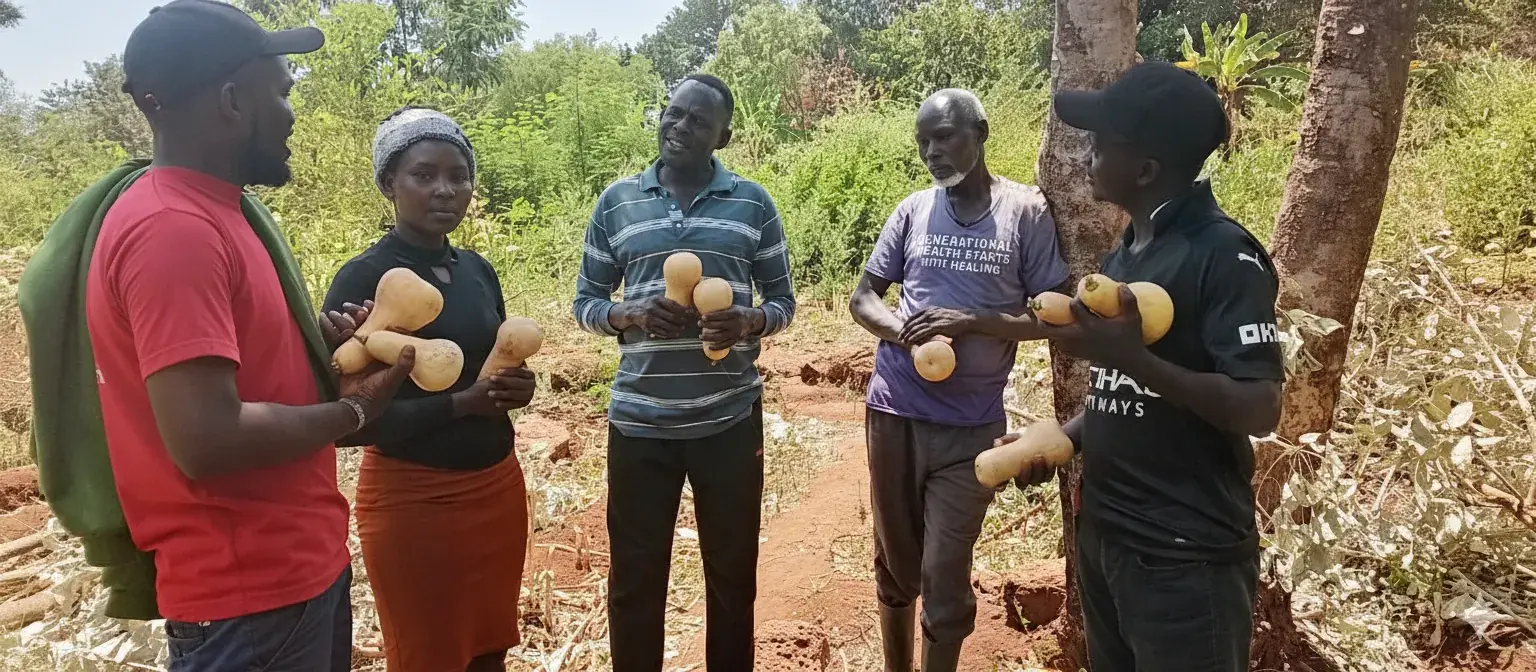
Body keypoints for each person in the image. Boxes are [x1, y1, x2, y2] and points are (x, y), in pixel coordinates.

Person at [66, 1, 415, 669]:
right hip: (249, 599)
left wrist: (312, 345)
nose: (292, 112)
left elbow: (232, 366)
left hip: (289, 578)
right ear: (231, 99)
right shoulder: (174, 230)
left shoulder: (219, 213)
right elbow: (207, 438)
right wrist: (353, 410)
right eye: (282, 92)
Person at [1015, 61, 1285, 672]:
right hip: (1109, 537)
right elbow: (1118, 389)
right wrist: (1059, 438)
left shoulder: (1223, 256)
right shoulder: (1127, 252)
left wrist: (1134, 360)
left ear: (1145, 170)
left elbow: (1260, 404)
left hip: (1184, 559)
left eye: (1100, 144)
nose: (1086, 155)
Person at [572, 73, 796, 671]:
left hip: (728, 420)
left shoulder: (753, 202)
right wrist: (628, 313)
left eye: (698, 120)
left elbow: (783, 302)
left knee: (731, 577)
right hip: (639, 422)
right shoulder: (618, 200)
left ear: (722, 134)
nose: (680, 126)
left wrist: (748, 322)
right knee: (635, 581)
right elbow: (586, 302)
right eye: (673, 113)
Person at [849, 88, 1070, 672]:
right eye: (923, 141)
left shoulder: (1027, 211)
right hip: (894, 410)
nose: (932, 151)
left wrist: (973, 321)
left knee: (945, 570)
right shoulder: (914, 210)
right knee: (895, 561)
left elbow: (1051, 315)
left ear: (981, 131)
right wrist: (906, 335)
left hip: (970, 428)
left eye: (943, 136)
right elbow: (864, 296)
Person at [321, 106, 537, 672]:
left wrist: (517, 388)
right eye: (424, 175)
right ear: (390, 183)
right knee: (427, 657)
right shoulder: (362, 279)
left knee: (490, 651)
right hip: (413, 501)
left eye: (459, 175)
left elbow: (494, 365)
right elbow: (344, 422)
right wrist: (461, 404)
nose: (447, 190)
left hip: (497, 489)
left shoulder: (478, 271)